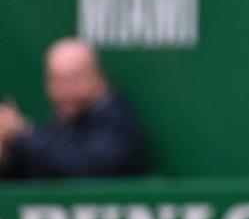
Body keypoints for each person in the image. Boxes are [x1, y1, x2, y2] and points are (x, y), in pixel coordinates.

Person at [0, 38, 146, 179]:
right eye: (55, 80)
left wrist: (20, 136)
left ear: (96, 77)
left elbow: (81, 167)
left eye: (72, 80)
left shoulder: (117, 123)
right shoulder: (61, 124)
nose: (62, 91)